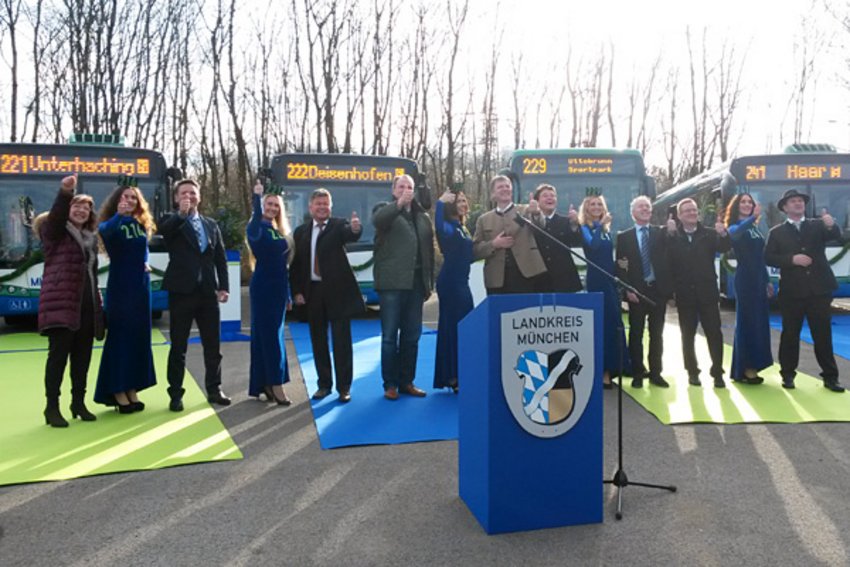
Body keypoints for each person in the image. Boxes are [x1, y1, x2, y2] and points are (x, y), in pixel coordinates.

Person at [36, 174, 104, 427]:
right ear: (68, 209)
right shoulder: (54, 231)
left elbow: (93, 276)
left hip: (86, 306)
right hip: (61, 305)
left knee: (82, 358)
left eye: (86, 208)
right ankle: (51, 407)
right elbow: (56, 216)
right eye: (77, 206)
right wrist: (66, 193)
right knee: (58, 358)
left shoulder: (90, 239)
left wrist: (99, 308)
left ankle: (78, 403)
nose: (82, 211)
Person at [158, 179, 231, 411]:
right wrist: (181, 215)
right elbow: (165, 233)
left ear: (199, 196)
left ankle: (214, 388)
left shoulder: (211, 224)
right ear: (177, 197)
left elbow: (220, 258)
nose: (188, 196)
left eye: (192, 192)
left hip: (208, 293)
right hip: (182, 292)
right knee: (179, 346)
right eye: (183, 193)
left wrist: (224, 286)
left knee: (213, 345)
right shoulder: (172, 221)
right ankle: (176, 393)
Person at [764, 188, 845, 392]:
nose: (798, 204)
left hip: (819, 290)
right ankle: (788, 374)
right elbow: (768, 257)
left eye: (800, 201)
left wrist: (832, 224)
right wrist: (791, 260)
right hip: (792, 292)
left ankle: (830, 377)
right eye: (793, 201)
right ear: (784, 207)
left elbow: (839, 238)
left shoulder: (818, 225)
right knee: (790, 335)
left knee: (823, 335)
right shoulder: (776, 232)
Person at [290, 187, 365, 404]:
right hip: (313, 293)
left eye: (326, 204)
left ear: (330, 207)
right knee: (318, 341)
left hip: (338, 293)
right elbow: (296, 266)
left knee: (342, 342)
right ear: (310, 207)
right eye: (318, 204)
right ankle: (324, 385)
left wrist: (355, 229)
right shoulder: (301, 232)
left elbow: (350, 234)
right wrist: (297, 291)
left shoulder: (339, 225)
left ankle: (344, 388)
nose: (322, 207)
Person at [94, 182, 157, 413]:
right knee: (120, 337)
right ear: (117, 201)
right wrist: (118, 216)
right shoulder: (113, 223)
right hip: (122, 287)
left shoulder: (139, 225)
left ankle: (132, 386)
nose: (129, 201)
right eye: (125, 197)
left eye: (133, 198)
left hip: (141, 287)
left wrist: (145, 263)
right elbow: (105, 232)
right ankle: (117, 389)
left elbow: (142, 251)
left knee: (137, 337)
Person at [372, 174, 434, 401]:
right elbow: (378, 221)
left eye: (409, 186)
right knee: (389, 337)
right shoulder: (384, 209)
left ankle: (407, 381)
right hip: (391, 285)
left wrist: (429, 284)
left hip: (416, 285)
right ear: (393, 190)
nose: (406, 190)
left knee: (412, 336)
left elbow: (428, 251)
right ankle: (390, 384)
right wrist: (398, 204)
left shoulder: (421, 216)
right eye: (401, 186)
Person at [666, 198, 730, 388]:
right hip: (685, 294)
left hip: (707, 292)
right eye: (687, 211)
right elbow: (668, 264)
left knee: (714, 334)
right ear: (679, 215)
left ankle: (717, 372)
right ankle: (692, 371)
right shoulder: (673, 236)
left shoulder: (709, 234)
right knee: (687, 335)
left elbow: (724, 247)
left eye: (694, 210)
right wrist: (671, 294)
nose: (692, 213)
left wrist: (724, 234)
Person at [615, 195, 672, 388]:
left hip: (658, 291)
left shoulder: (661, 233)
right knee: (636, 334)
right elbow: (621, 267)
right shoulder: (624, 237)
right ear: (633, 213)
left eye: (647, 207)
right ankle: (638, 372)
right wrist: (627, 290)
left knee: (657, 334)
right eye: (641, 207)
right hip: (636, 293)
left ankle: (656, 373)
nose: (645, 210)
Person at [247, 181, 295, 405]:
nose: (272, 208)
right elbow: (255, 225)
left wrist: (287, 294)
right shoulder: (255, 228)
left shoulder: (278, 231)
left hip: (278, 289)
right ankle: (275, 384)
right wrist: (257, 198)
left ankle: (265, 382)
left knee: (272, 337)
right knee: (268, 338)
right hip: (263, 287)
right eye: (269, 204)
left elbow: (283, 266)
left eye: (276, 205)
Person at [579, 194, 630, 387]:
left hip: (609, 280)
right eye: (592, 204)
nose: (596, 207)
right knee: (602, 324)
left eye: (599, 204)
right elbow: (593, 246)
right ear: (587, 208)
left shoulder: (607, 230)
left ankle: (619, 366)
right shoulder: (586, 229)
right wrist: (600, 226)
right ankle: (602, 371)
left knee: (614, 322)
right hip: (596, 281)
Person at [724, 194, 774, 385]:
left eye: (749, 202)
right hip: (745, 279)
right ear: (736, 206)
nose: (747, 205)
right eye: (743, 202)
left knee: (759, 323)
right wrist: (753, 217)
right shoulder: (737, 226)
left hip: (758, 278)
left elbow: (760, 257)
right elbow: (733, 234)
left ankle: (755, 365)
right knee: (747, 322)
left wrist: (767, 280)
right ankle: (744, 368)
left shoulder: (754, 228)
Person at [472, 175, 546, 294]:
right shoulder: (483, 219)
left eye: (507, 186)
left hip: (526, 274)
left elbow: (540, 227)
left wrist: (537, 213)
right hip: (496, 279)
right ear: (493, 194)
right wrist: (494, 244)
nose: (505, 189)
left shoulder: (526, 210)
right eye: (500, 187)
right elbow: (475, 250)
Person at [433, 189, 474, 392]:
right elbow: (439, 228)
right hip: (450, 283)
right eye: (459, 201)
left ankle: (461, 371)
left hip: (462, 281)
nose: (463, 204)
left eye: (465, 200)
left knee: (464, 325)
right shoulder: (448, 226)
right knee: (452, 326)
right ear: (451, 206)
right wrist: (440, 204)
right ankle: (452, 376)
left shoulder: (463, 227)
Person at [530, 184, 583, 293]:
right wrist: (534, 214)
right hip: (539, 280)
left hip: (564, 280)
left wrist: (574, 225)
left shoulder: (565, 221)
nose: (550, 198)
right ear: (537, 201)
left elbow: (576, 242)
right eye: (545, 196)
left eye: (553, 196)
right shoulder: (529, 222)